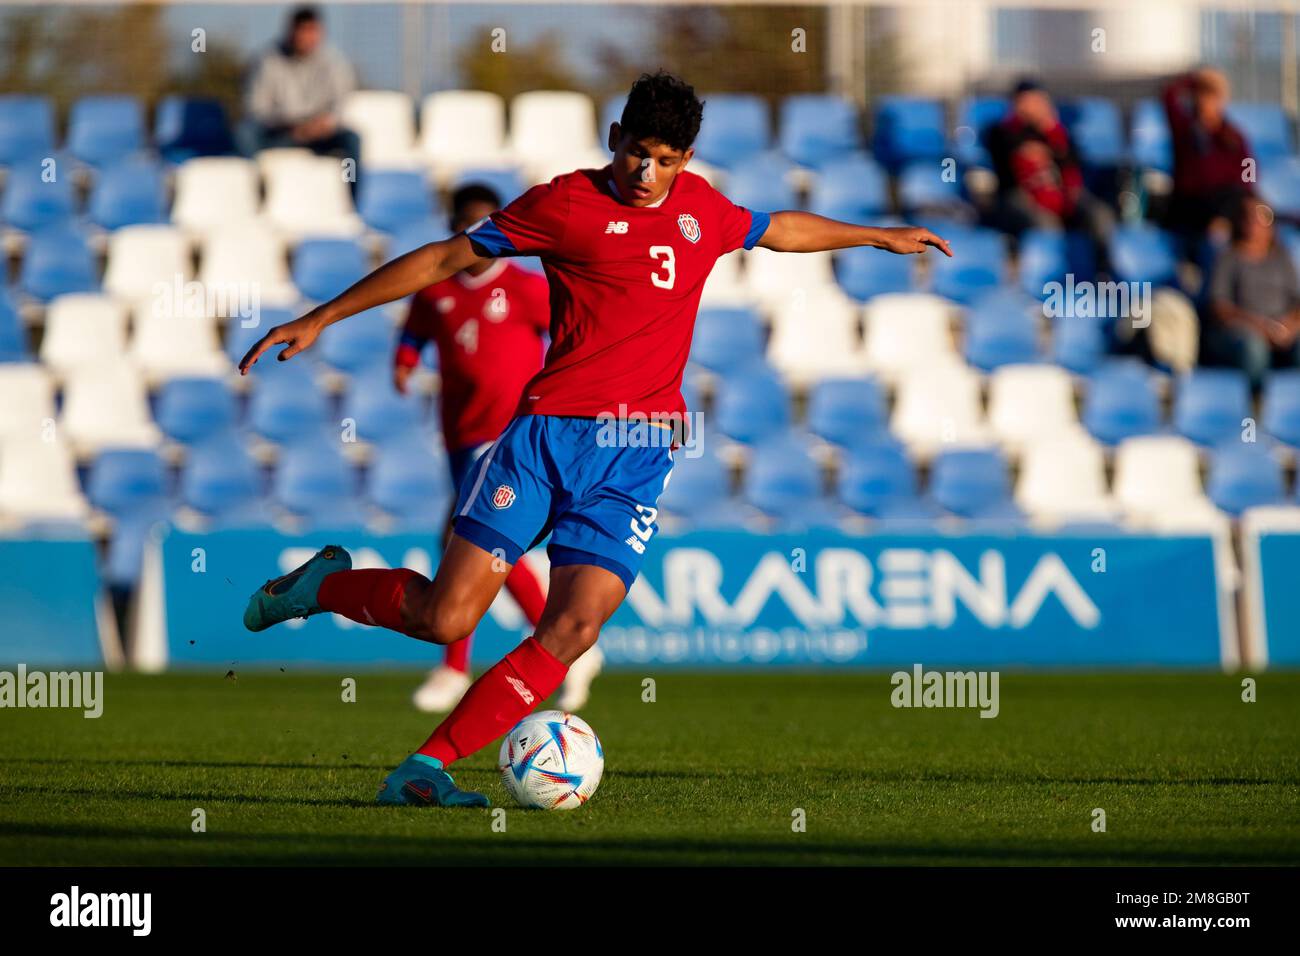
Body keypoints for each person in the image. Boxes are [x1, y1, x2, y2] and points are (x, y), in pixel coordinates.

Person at [239, 71, 951, 808]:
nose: (648, 174)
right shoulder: (566, 204)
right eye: (638, 153)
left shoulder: (703, 210)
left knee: (574, 626)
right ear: (615, 140)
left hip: (637, 456)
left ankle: (426, 767)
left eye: (667, 160)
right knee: (443, 619)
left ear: (687, 159)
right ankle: (322, 585)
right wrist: (322, 316)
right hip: (544, 441)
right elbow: (446, 258)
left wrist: (877, 234)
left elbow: (778, 230)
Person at [394, 183, 603, 713]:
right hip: (458, 433)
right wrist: (405, 362)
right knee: (488, 549)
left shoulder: (526, 286)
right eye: (468, 225)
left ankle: (454, 667)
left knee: (461, 537)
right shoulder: (435, 290)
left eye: (487, 224)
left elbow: (571, 331)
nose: (479, 236)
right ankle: (564, 642)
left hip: (510, 429)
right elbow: (414, 334)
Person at [984, 78, 1113, 254]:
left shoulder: (1056, 132)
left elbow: (1072, 162)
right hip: (1019, 196)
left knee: (1099, 214)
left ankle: (1102, 268)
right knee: (1046, 223)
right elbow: (1005, 159)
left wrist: (1051, 131)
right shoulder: (1000, 131)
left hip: (1060, 191)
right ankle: (1050, 270)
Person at [240, 5, 360, 174]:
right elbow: (256, 108)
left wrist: (322, 124)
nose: (307, 37)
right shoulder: (266, 60)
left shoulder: (335, 62)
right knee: (245, 134)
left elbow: (340, 105)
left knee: (352, 139)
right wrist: (290, 125)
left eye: (313, 31)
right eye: (303, 31)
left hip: (319, 135)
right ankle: (256, 185)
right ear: (291, 31)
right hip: (280, 133)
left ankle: (352, 197)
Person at [1204, 197, 1300, 390]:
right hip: (1243, 329)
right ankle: (1257, 402)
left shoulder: (1282, 257)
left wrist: (1290, 326)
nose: (1254, 223)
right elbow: (1220, 308)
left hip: (1280, 328)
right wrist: (1260, 326)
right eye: (1249, 217)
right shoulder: (1228, 257)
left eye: (1261, 218)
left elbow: (1297, 301)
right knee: (1254, 348)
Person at [1162, 68, 1254, 258]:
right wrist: (1195, 79)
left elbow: (1249, 170)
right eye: (1202, 96)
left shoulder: (1232, 137)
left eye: (1212, 97)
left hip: (1225, 205)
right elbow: (1168, 96)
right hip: (1191, 205)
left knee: (1247, 205)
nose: (1206, 103)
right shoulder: (1186, 131)